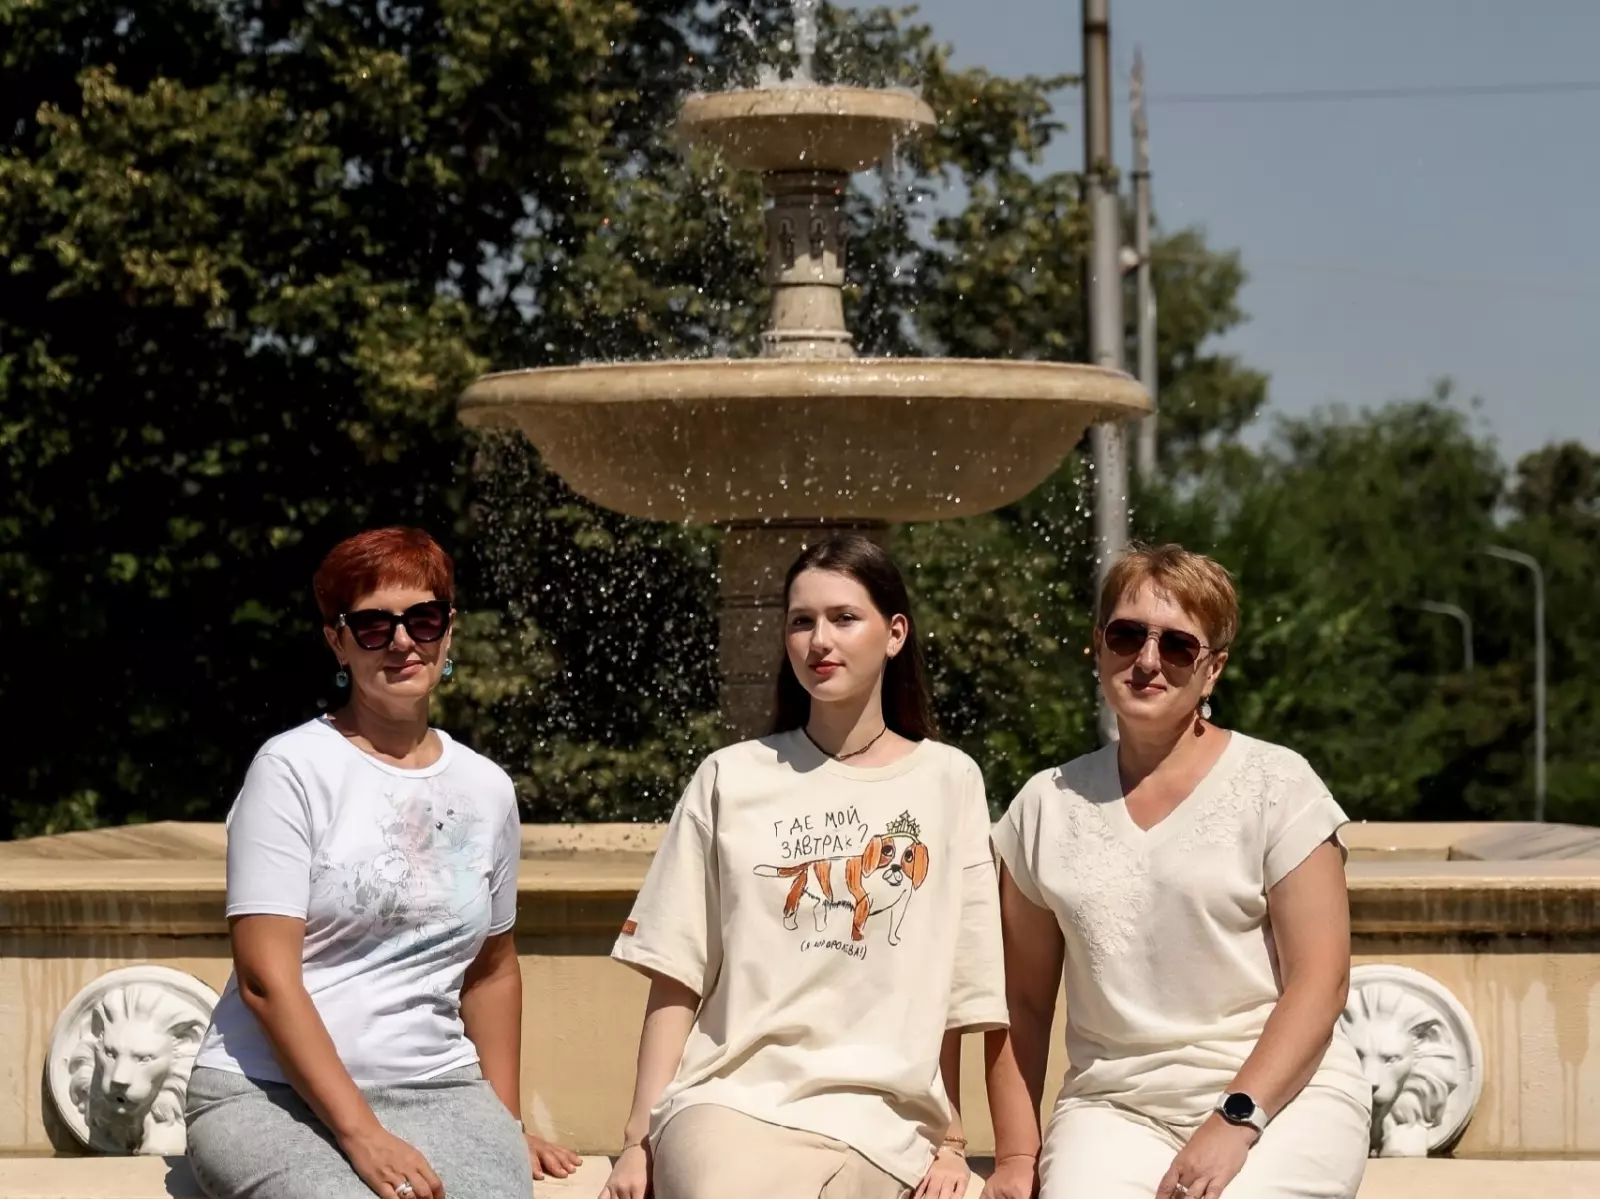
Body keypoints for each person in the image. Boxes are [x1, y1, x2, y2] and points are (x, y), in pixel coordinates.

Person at [599, 533, 1008, 1199]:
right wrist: (636, 1139)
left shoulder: (949, 781)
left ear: (895, 633)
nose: (820, 640)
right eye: (801, 621)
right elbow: (677, 974)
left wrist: (952, 1140)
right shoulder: (728, 777)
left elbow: (954, 985)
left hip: (883, 1122)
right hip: (729, 1101)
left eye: (844, 618)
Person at [185, 527, 580, 1199]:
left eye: (422, 619)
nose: (402, 641)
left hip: (440, 1087)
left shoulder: (487, 788)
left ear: (448, 630)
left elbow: (491, 971)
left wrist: (506, 1123)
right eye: (373, 625)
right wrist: (362, 1132)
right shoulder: (292, 768)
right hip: (269, 1090)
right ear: (337, 641)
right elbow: (264, 978)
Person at [983, 544, 1371, 1199]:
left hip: (1281, 1099)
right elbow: (1020, 1001)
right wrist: (1017, 1156)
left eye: (1178, 646)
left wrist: (1235, 1119)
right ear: (1098, 645)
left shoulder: (1279, 785)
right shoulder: (1044, 807)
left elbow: (1321, 981)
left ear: (1212, 669)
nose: (1147, 660)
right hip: (1113, 1108)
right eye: (1126, 635)